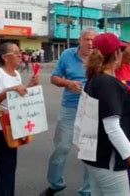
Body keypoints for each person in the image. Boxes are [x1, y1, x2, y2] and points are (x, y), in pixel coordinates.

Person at [82, 32, 130, 195]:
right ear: (117, 54)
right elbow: (112, 128)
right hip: (109, 160)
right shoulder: (107, 83)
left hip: (96, 157)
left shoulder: (96, 78)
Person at [41, 28, 96, 196]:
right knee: (62, 146)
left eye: (93, 40)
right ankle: (55, 183)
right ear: (79, 40)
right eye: (86, 39)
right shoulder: (67, 55)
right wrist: (68, 83)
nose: (90, 43)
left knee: (89, 151)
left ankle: (86, 191)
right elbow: (54, 78)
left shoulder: (99, 58)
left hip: (92, 109)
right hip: (70, 108)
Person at [0, 42, 39, 196]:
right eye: (15, 52)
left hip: (14, 125)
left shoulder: (16, 74)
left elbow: (17, 98)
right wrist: (10, 89)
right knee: (4, 167)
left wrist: (29, 86)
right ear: (5, 57)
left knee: (10, 166)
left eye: (19, 52)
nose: (20, 55)